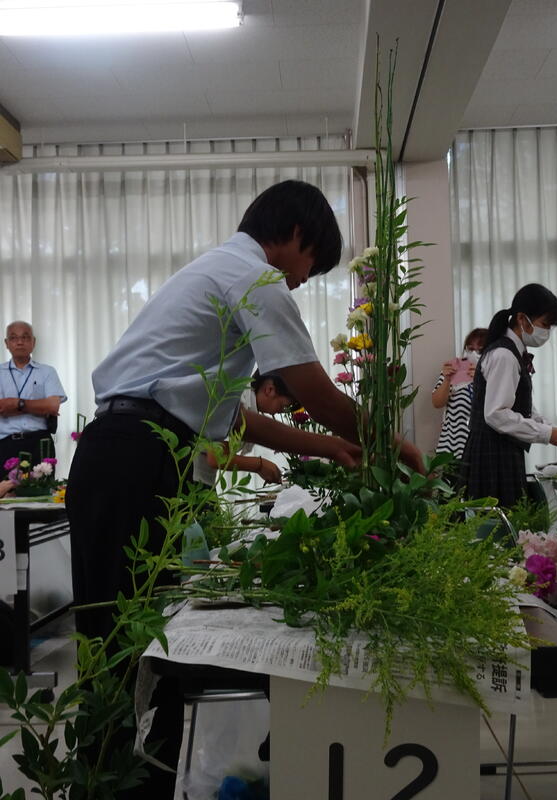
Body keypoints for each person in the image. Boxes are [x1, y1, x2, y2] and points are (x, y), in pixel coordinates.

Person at [66, 180, 422, 797]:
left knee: (149, 639)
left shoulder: (217, 273)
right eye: (311, 265)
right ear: (295, 234)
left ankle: (140, 781)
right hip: (135, 456)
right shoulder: (253, 277)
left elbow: (237, 419)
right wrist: (393, 442)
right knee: (121, 643)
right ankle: (107, 783)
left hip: (135, 454)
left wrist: (336, 448)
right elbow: (313, 391)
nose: (303, 281)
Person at [461, 283, 557, 508]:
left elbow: (521, 405)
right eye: (545, 324)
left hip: (501, 450)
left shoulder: (511, 351)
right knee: (497, 521)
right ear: (522, 319)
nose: (547, 333)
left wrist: (549, 428)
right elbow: (496, 414)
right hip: (493, 454)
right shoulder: (504, 355)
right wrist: (546, 433)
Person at [195, 371, 298, 486]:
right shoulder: (237, 398)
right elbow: (216, 457)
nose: (280, 411)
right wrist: (260, 465)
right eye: (283, 406)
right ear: (270, 390)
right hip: (187, 469)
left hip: (200, 476)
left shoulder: (247, 406)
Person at [0, 321, 66, 470]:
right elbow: (2, 407)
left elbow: (52, 406)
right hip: (5, 444)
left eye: (25, 337)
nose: (20, 342)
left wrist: (16, 404)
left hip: (40, 443)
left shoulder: (47, 372)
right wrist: (38, 407)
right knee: (6, 486)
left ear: (33, 342)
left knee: (44, 485)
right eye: (13, 338)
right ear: (6, 343)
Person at [432, 327, 487, 460]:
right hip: (452, 447)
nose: (474, 354)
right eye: (470, 349)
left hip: (483, 450)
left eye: (480, 350)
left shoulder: (494, 373)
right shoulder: (456, 369)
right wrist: (447, 379)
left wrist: (480, 379)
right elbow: (437, 403)